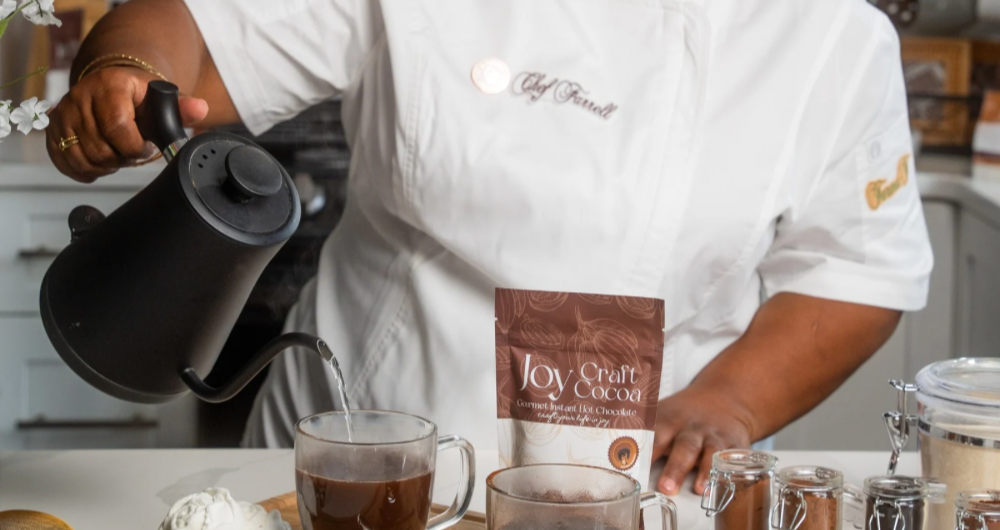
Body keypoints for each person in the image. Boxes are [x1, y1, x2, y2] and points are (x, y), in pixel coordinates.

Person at [46, 0, 931, 496]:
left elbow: (854, 268)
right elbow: (196, 31)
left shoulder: (834, 40)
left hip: (649, 494)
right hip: (368, 458)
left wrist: (730, 400)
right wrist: (120, 72)